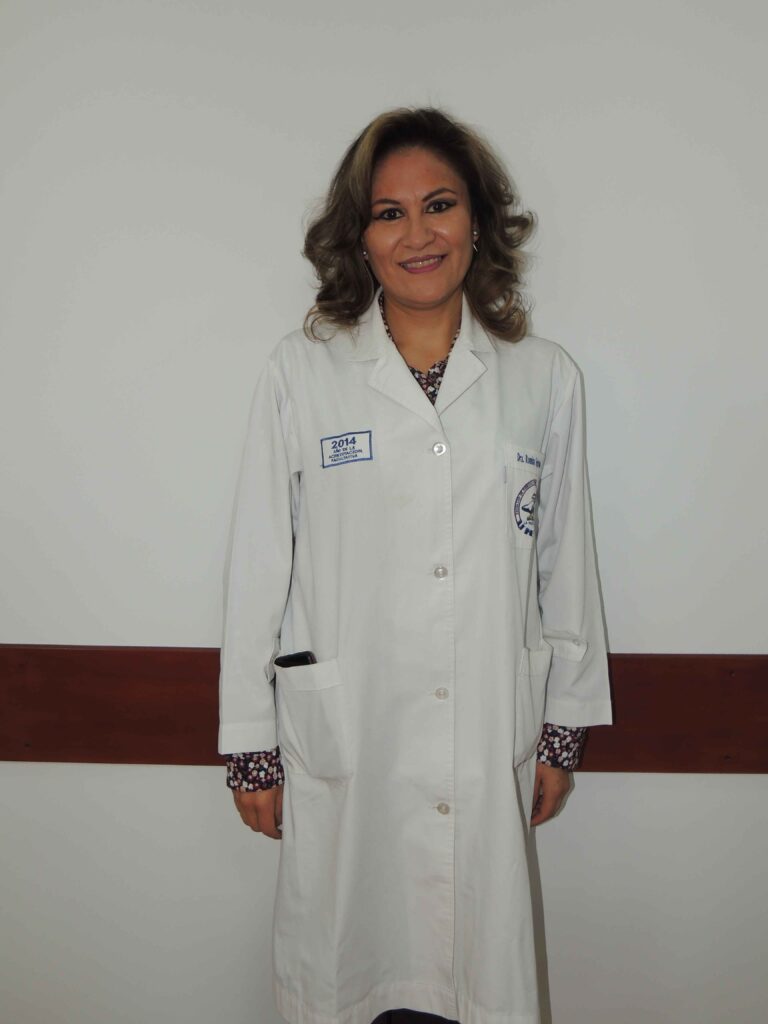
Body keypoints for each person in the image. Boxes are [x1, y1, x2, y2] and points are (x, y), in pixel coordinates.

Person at [218, 107, 612, 1024]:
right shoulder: (302, 373)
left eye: (439, 205)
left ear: (478, 219)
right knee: (352, 970)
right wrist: (249, 744)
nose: (418, 234)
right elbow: (256, 566)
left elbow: (567, 564)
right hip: (350, 738)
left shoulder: (543, 377)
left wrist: (562, 731)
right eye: (388, 213)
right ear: (360, 237)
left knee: (478, 970)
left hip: (487, 731)